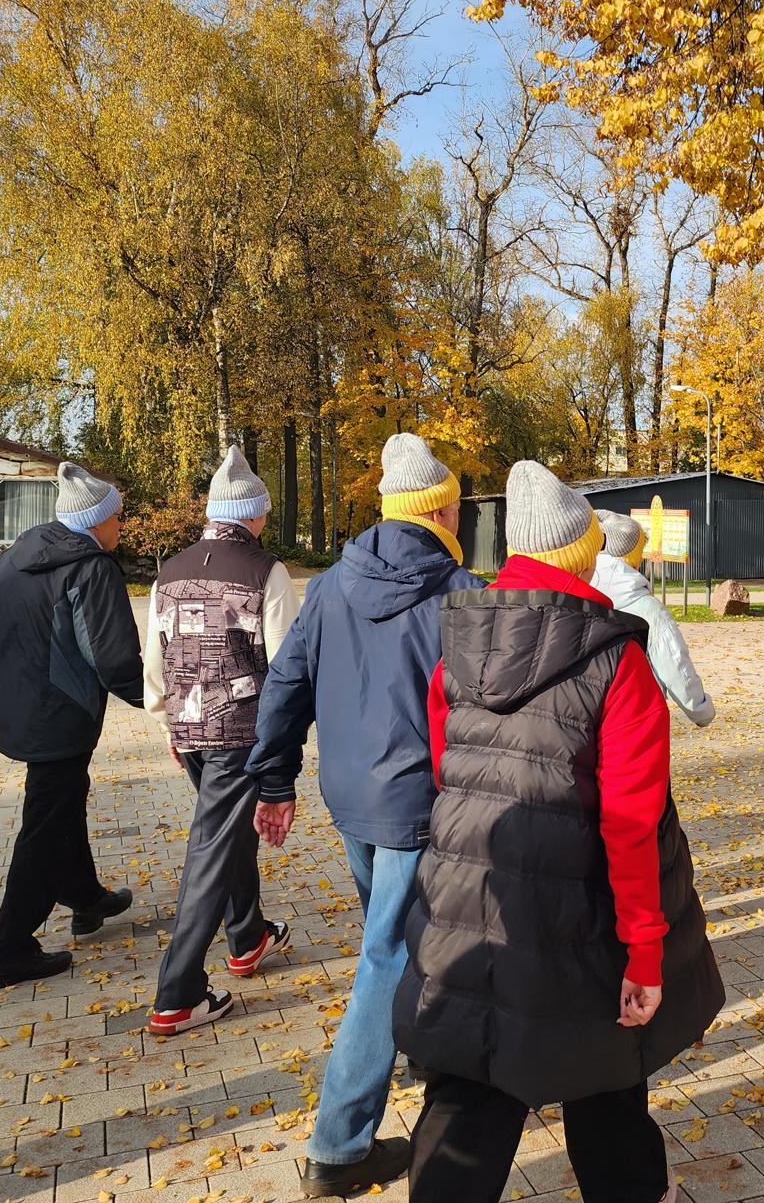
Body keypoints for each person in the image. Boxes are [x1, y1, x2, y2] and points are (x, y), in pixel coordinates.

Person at [399, 461, 724, 1203]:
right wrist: (645, 951)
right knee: (603, 1075)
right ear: (584, 550)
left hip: (467, 895)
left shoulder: (458, 643)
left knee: (469, 1083)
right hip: (581, 915)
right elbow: (630, 822)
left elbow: (446, 768)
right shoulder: (616, 659)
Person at [247, 432, 484, 1198]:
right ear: (441, 508)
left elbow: (285, 684)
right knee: (385, 954)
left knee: (395, 938)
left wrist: (275, 780)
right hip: (420, 801)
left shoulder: (330, 588)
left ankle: (417, 1047)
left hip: (350, 797)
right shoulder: (461, 591)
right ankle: (338, 1145)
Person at [0, 462, 144, 990]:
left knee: (62, 801)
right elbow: (113, 656)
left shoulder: (10, 562)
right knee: (45, 828)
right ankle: (8, 947)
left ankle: (86, 897)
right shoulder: (92, 568)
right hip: (66, 716)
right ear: (95, 520)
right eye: (117, 517)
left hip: (24, 716)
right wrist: (163, 702)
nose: (121, 526)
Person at [143, 447, 299, 1036]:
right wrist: (285, 750)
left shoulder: (170, 570)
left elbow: (153, 658)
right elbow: (287, 667)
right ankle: (177, 993)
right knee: (211, 851)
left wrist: (166, 723)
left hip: (188, 729)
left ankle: (247, 936)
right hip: (240, 731)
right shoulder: (266, 571)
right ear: (253, 514)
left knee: (223, 835)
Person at [590, 510, 714, 726]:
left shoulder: (576, 595)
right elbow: (675, 663)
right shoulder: (648, 610)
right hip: (637, 716)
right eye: (640, 551)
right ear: (630, 554)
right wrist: (701, 709)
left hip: (586, 714)